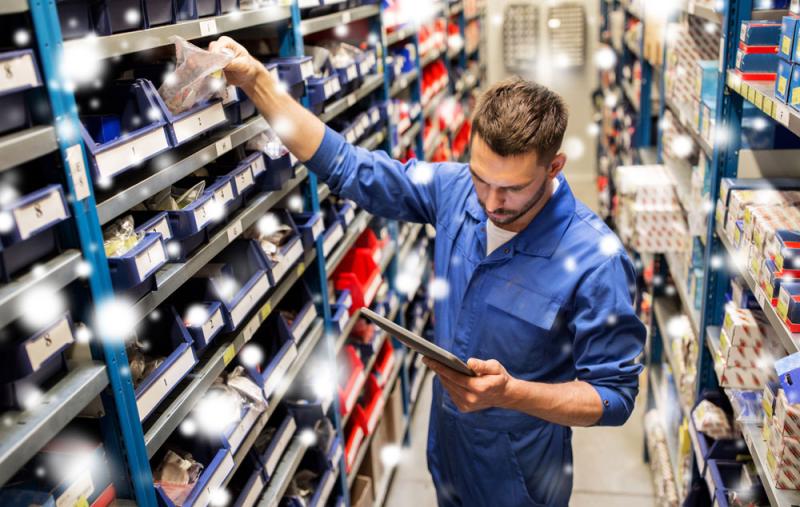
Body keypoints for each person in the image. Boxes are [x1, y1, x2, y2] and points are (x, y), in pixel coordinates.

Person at [210, 36, 646, 507]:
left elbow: (614, 397)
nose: (491, 202)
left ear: (554, 166)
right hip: (449, 445)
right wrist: (257, 80)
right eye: (482, 178)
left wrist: (512, 393)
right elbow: (346, 165)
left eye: (512, 189)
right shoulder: (454, 188)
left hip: (520, 471)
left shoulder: (596, 258)